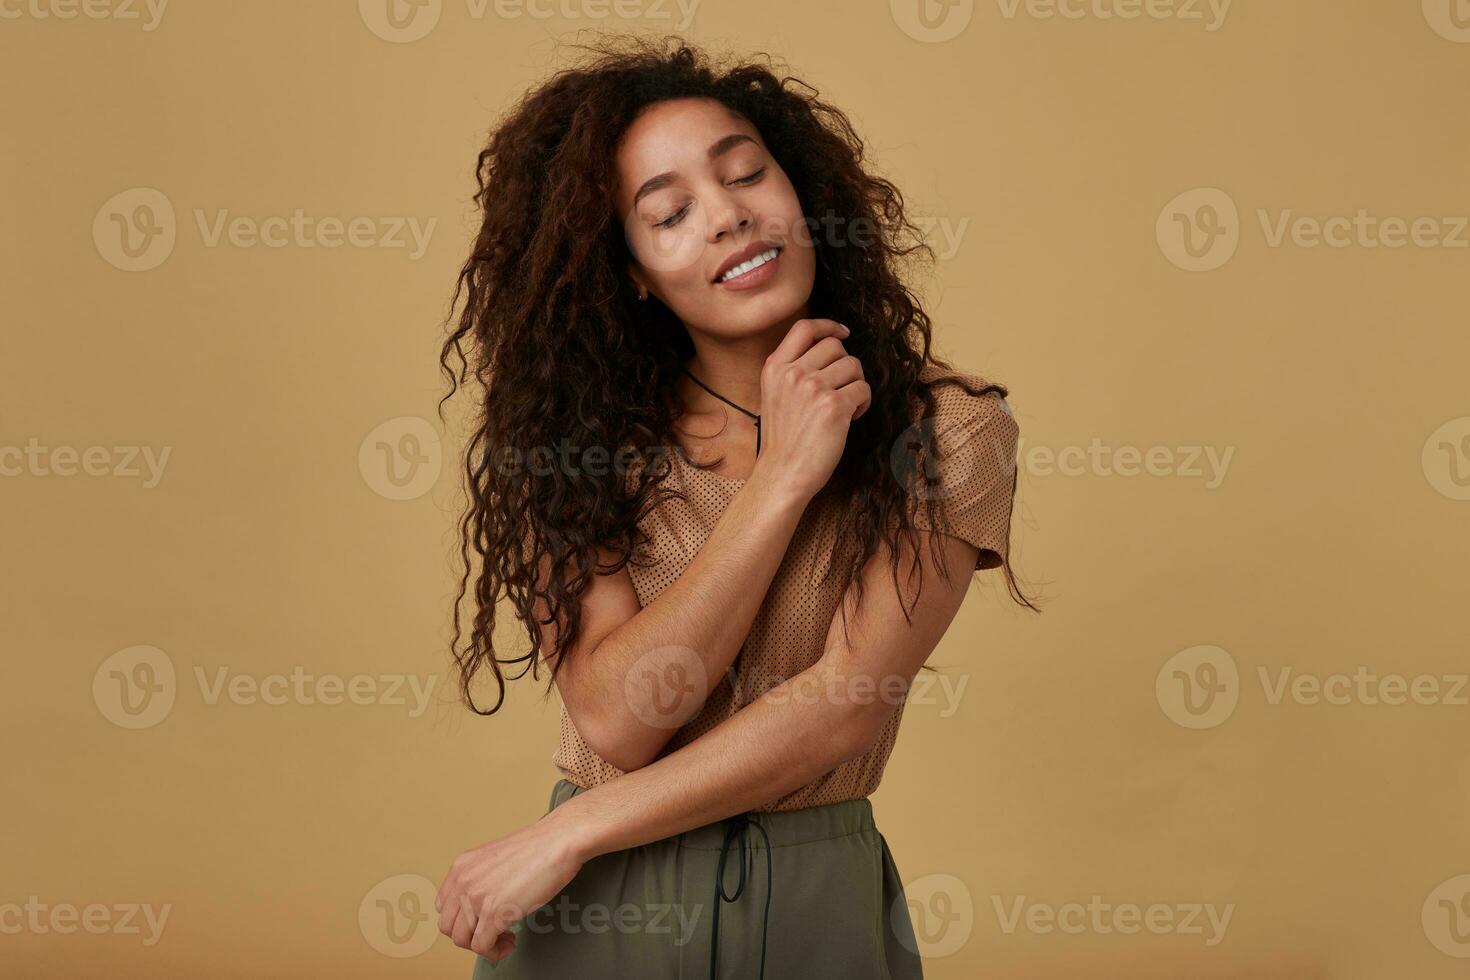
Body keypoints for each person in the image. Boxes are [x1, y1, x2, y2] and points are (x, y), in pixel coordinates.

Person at [432, 34, 1036, 979]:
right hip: (601, 913)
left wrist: (576, 830)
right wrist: (784, 477)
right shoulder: (577, 443)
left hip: (808, 902)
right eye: (668, 213)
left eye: (747, 174)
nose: (729, 218)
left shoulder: (948, 430)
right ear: (629, 269)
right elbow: (625, 719)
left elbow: (844, 704)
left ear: (803, 196)